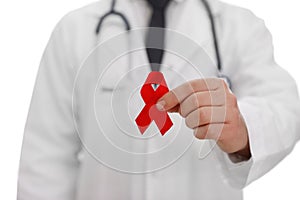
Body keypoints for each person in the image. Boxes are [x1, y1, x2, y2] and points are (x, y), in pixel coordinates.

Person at [17, 0, 300, 199]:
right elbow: (44, 161)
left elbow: (286, 108)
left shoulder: (238, 26)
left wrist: (242, 129)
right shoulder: (75, 29)